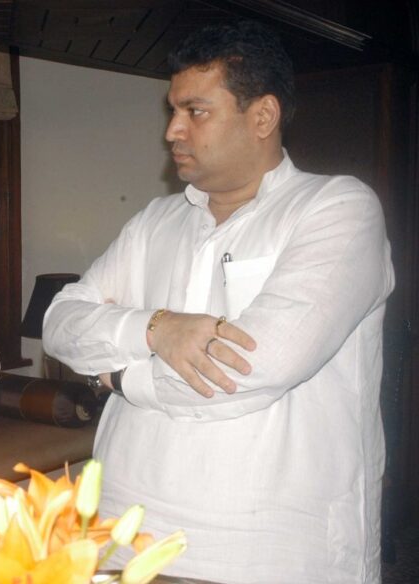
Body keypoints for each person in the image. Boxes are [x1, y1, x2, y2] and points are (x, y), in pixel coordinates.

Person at [43, 20, 393, 584]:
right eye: (171, 111)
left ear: (262, 116)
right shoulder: (156, 220)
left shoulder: (336, 210)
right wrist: (157, 329)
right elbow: (60, 320)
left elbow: (254, 366)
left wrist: (117, 377)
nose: (172, 131)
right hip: (120, 535)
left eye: (195, 111)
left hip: (266, 551)